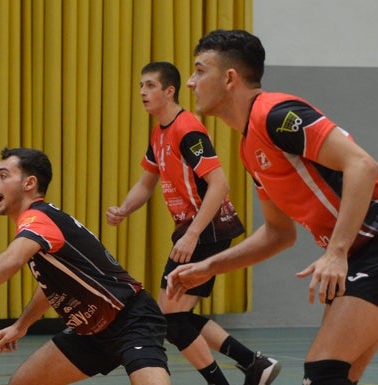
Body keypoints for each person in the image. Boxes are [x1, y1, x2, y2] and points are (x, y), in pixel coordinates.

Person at [168, 29, 378, 385]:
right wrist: (208, 266)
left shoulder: (276, 114)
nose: (191, 82)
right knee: (335, 375)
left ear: (229, 78)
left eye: (200, 71)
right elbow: (278, 233)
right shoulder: (250, 147)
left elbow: (362, 166)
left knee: (324, 372)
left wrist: (335, 253)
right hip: (370, 251)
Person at [0, 147, 171, 385]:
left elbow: (11, 259)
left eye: (3, 175)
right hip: (91, 334)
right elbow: (51, 287)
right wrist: (21, 325)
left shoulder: (38, 218)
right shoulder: (39, 227)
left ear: (29, 183)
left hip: (131, 319)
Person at [107, 61, 281, 385]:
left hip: (206, 228)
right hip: (195, 229)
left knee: (170, 318)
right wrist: (124, 209)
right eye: (141, 86)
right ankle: (253, 363)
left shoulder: (187, 129)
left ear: (169, 91)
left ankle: (237, 372)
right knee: (177, 316)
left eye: (149, 86)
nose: (143, 93)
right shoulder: (159, 132)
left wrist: (192, 235)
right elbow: (146, 183)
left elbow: (220, 184)